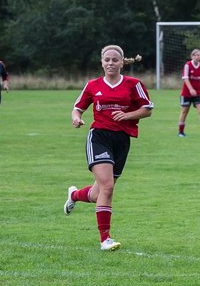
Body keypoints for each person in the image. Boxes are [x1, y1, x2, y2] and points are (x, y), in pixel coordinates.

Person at [63, 46, 153, 251]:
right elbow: (78, 108)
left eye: (114, 60)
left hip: (122, 140)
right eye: (107, 60)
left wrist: (128, 116)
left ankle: (74, 195)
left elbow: (147, 109)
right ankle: (105, 239)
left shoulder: (134, 84)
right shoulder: (93, 85)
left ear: (122, 63)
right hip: (99, 137)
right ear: (102, 62)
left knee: (98, 193)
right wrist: (77, 119)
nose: (110, 63)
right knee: (108, 187)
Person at [177, 48, 200, 137]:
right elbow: (185, 79)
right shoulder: (187, 65)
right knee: (184, 111)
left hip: (198, 93)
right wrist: (191, 89)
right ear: (192, 56)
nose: (197, 57)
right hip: (186, 93)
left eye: (199, 55)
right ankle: (180, 132)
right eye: (195, 55)